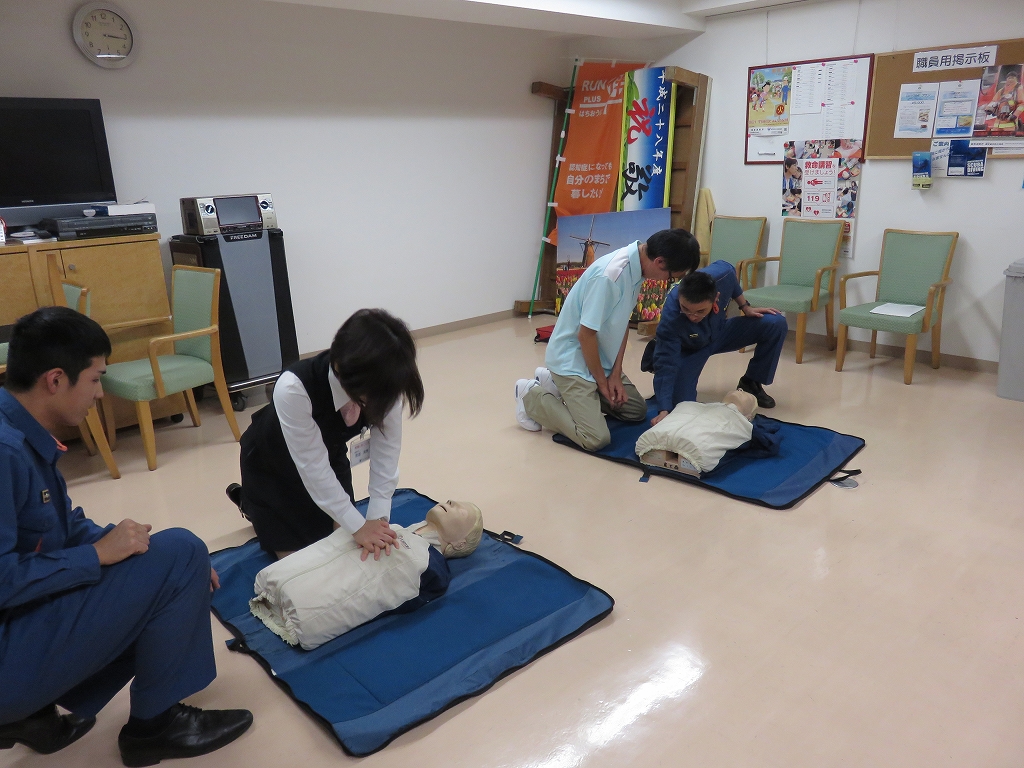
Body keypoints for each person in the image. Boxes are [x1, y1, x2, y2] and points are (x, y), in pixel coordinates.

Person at [0, 307, 252, 766]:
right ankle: (155, 729)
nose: (100, 393)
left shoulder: (19, 430)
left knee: (169, 559)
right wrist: (98, 555)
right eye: (95, 379)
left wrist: (126, 546)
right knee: (184, 550)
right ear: (55, 380)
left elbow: (57, 524)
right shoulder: (5, 453)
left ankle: (31, 714)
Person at [232, 308, 424, 561]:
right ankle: (250, 503)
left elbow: (386, 451)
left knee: (342, 542)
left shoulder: (386, 382)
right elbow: (313, 468)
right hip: (272, 465)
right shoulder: (293, 388)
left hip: (330, 453)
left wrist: (377, 518)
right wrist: (358, 527)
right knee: (298, 562)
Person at [514, 229, 701, 451]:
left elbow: (622, 323)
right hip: (572, 360)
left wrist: (615, 373)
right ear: (659, 261)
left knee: (635, 411)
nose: (667, 281)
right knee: (595, 439)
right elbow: (585, 335)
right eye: (671, 277)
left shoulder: (638, 268)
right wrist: (602, 383)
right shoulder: (610, 277)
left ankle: (554, 383)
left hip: (599, 358)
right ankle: (531, 395)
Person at [250, 500, 483, 650]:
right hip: (278, 575)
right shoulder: (395, 528)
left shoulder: (432, 569)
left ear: (461, 543)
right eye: (452, 500)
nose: (451, 502)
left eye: (460, 510)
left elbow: (384, 596)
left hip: (309, 611)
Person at [641, 261, 787, 422]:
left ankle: (751, 383)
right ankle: (657, 363)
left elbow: (732, 281)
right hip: (687, 348)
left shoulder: (723, 274)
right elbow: (666, 363)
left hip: (719, 332)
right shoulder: (671, 316)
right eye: (686, 309)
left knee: (775, 323)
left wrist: (745, 307)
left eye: (700, 311)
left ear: (716, 297)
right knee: (681, 408)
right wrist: (664, 409)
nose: (692, 316)